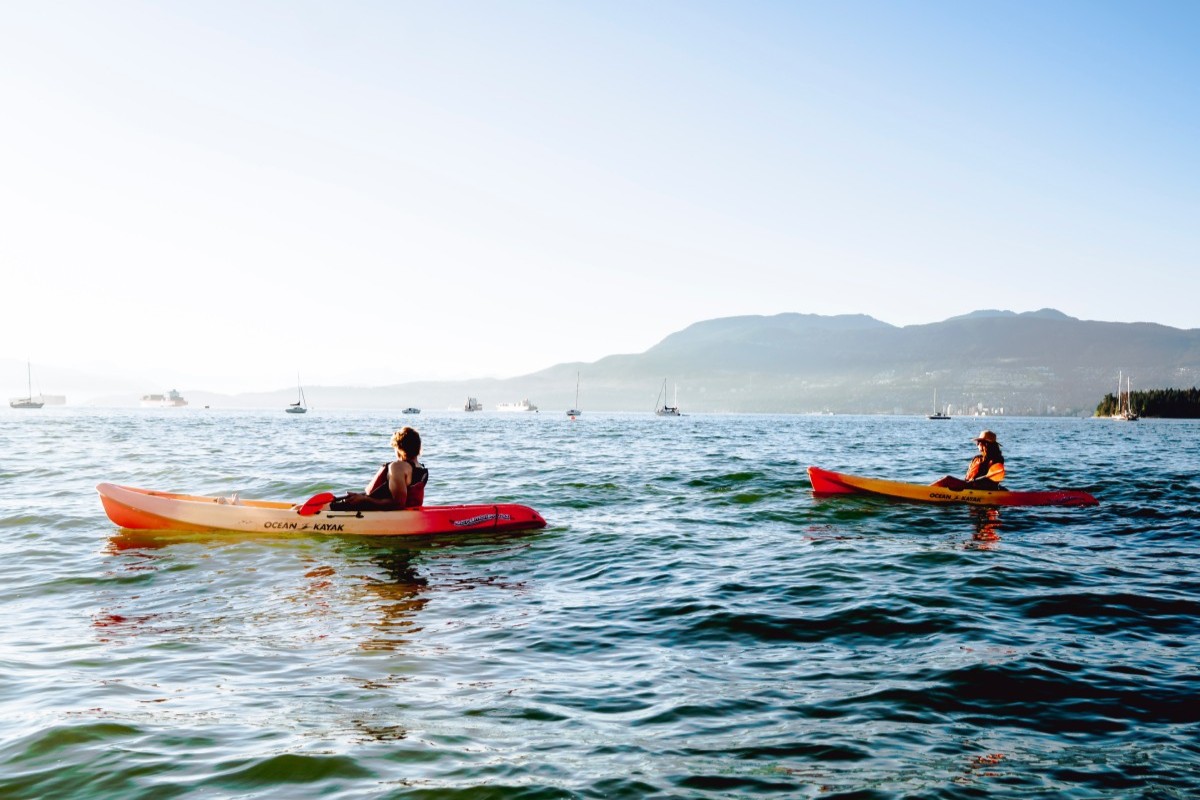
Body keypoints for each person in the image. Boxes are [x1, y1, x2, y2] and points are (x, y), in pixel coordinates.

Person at [331, 426, 428, 511]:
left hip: (378, 511)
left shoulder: (398, 467)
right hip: (407, 511)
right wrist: (360, 496)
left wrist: (364, 499)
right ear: (418, 447)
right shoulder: (421, 468)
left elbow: (398, 504)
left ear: (399, 448)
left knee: (332, 507)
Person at [933, 430, 1006, 491]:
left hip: (980, 489)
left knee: (947, 479)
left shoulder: (996, 460)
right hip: (970, 486)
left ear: (985, 445)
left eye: (978, 443)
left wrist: (970, 483)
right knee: (947, 482)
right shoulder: (977, 458)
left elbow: (991, 480)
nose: (977, 445)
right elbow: (967, 478)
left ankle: (927, 491)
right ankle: (930, 490)